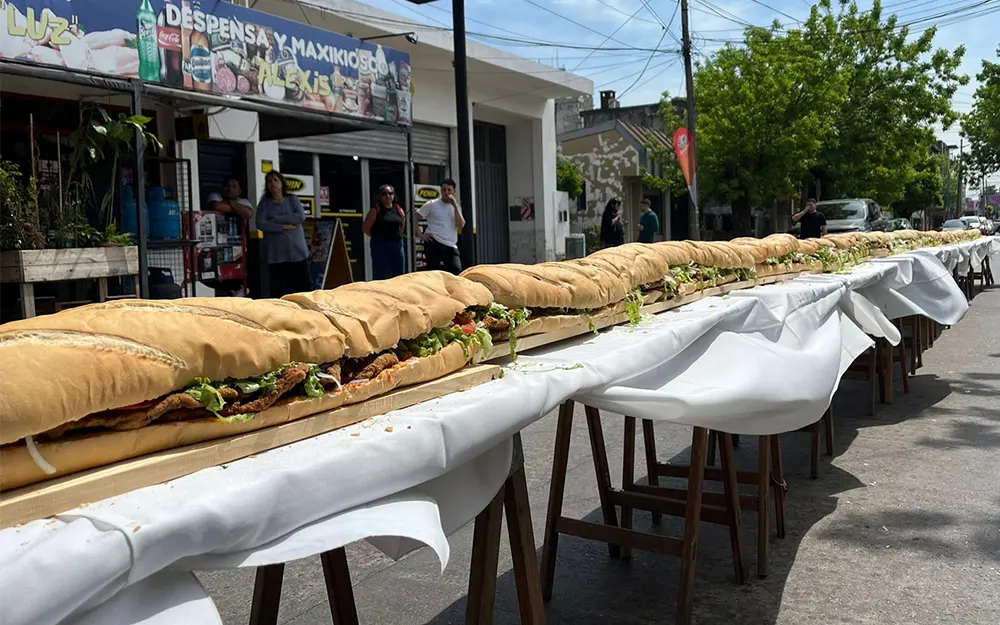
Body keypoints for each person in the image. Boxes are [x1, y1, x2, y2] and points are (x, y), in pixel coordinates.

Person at [256, 170, 312, 298]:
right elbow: (261, 224)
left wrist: (274, 219)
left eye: (276, 180)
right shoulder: (264, 204)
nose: (273, 184)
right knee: (279, 290)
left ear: (282, 183)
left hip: (296, 252)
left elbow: (300, 217)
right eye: (269, 181)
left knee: (303, 288)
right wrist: (283, 227)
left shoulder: (292, 200)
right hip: (276, 254)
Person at [418, 178, 465, 275]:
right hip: (433, 241)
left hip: (450, 244)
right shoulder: (432, 204)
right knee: (433, 273)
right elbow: (415, 217)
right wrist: (420, 234)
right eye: (444, 190)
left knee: (456, 270)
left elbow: (460, 224)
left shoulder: (457, 207)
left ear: (454, 191)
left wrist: (455, 205)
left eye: (449, 190)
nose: (446, 193)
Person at [363, 184, 406, 280]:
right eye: (384, 194)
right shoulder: (375, 210)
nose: (387, 196)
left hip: (397, 244)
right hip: (380, 245)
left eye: (390, 193)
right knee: (380, 274)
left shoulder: (398, 209)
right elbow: (365, 228)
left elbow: (402, 226)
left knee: (399, 274)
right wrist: (377, 236)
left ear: (394, 195)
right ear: (380, 196)